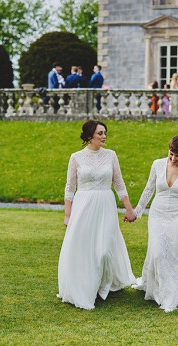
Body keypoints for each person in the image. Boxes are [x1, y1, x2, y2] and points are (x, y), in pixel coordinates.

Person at [57, 120, 137, 310]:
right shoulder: (76, 157)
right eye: (100, 133)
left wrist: (129, 208)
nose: (104, 136)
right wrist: (67, 214)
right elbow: (70, 187)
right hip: (83, 205)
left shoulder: (111, 155)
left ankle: (104, 285)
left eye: (105, 133)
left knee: (103, 250)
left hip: (105, 204)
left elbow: (118, 183)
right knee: (84, 247)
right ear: (89, 136)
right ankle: (86, 285)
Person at [132, 135, 178, 312]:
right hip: (157, 214)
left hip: (177, 216)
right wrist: (137, 212)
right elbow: (148, 189)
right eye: (171, 154)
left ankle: (171, 295)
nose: (173, 158)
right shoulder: (157, 164)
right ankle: (156, 289)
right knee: (158, 253)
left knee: (173, 254)